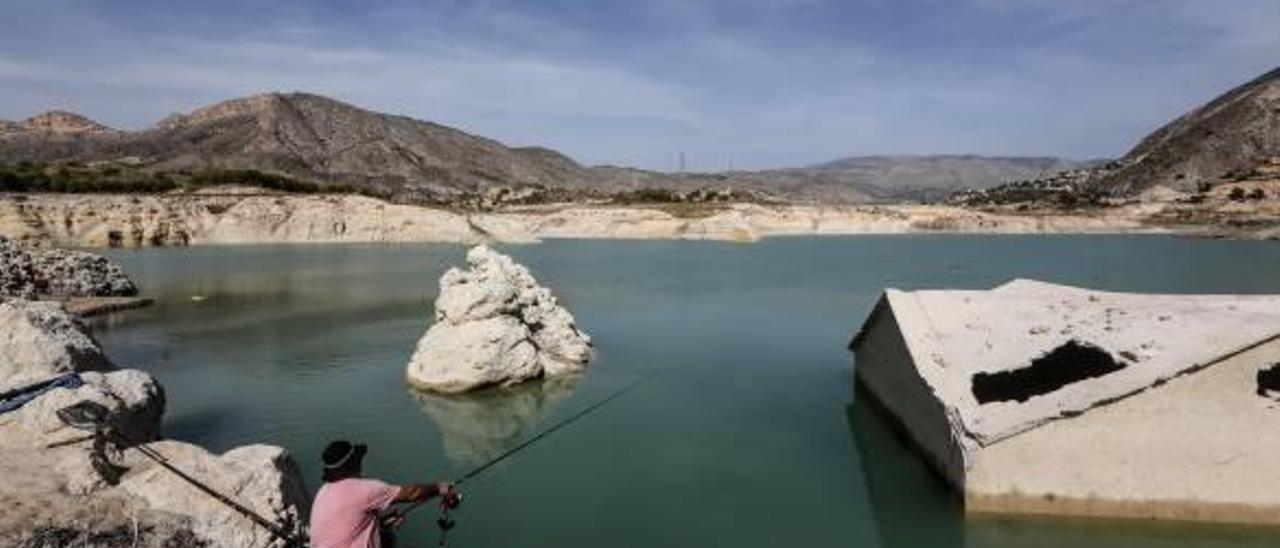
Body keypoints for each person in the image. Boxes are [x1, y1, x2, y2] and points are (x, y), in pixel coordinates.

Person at [309, 440, 454, 548]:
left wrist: (382, 523)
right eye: (358, 461)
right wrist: (439, 488)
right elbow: (412, 493)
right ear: (351, 465)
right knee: (387, 539)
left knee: (385, 536)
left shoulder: (323, 492)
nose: (360, 465)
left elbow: (343, 527)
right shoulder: (363, 489)